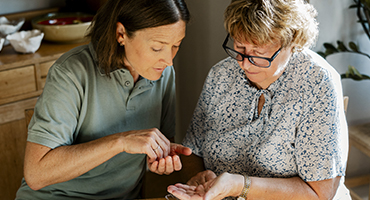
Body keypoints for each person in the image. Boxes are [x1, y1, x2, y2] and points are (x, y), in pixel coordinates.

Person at [167, 0, 350, 199]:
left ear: (292, 42)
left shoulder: (317, 82)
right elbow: (193, 150)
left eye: (258, 53)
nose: (245, 64)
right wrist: (199, 176)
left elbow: (320, 194)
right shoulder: (221, 75)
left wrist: (241, 186)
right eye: (240, 47)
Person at [15, 0, 191, 199]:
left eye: (176, 45)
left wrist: (161, 162)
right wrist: (121, 141)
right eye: (157, 48)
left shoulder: (164, 74)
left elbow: (160, 146)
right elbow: (36, 174)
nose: (169, 60)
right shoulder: (71, 73)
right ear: (121, 34)